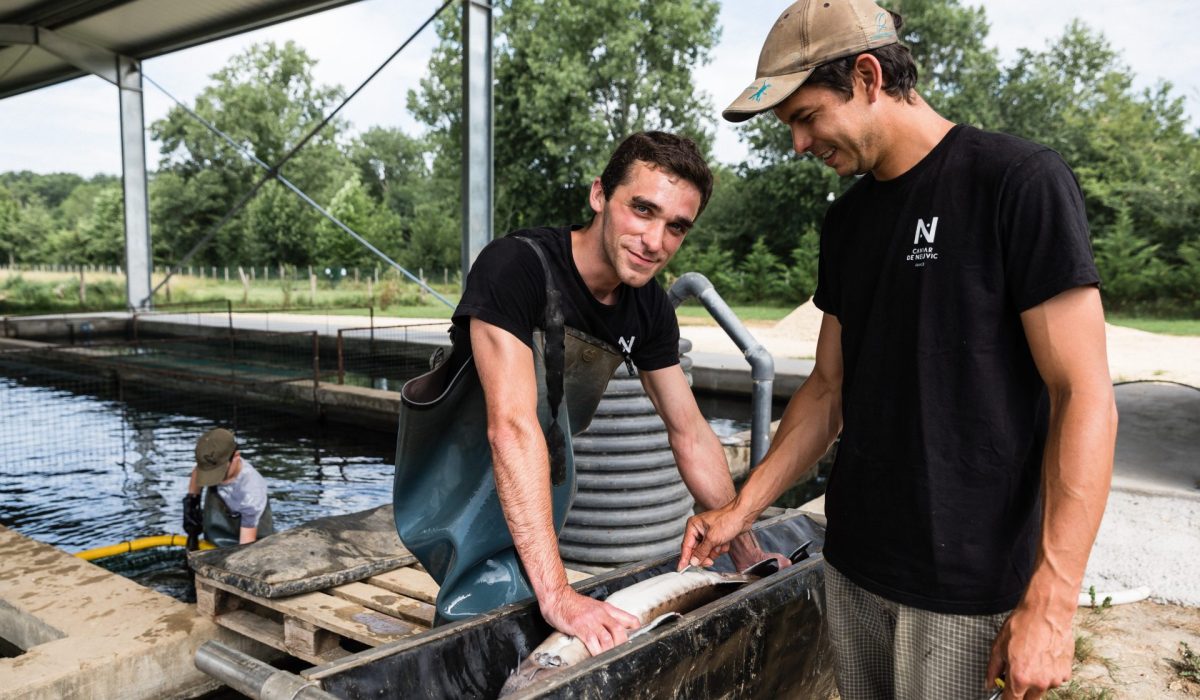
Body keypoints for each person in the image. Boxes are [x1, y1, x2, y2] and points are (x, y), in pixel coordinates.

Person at [678, 2, 1118, 699]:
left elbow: (1084, 394)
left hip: (965, 587)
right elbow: (827, 389)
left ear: (868, 76)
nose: (797, 144)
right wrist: (743, 506)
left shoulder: (1016, 181)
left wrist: (1054, 600)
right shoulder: (847, 222)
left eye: (805, 115)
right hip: (854, 566)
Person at [393, 131, 782, 656]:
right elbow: (510, 426)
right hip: (460, 470)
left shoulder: (647, 306)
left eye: (676, 228)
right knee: (479, 617)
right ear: (599, 195)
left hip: (538, 468)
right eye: (642, 210)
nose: (654, 241)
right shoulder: (516, 266)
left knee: (536, 618)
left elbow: (689, 432)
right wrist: (558, 594)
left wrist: (746, 551)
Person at [183, 427, 274, 547]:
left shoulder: (251, 490)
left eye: (217, 472)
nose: (213, 478)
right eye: (209, 473)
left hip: (251, 542)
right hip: (215, 541)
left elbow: (246, 545)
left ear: (236, 456)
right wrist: (192, 501)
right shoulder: (213, 460)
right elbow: (199, 470)